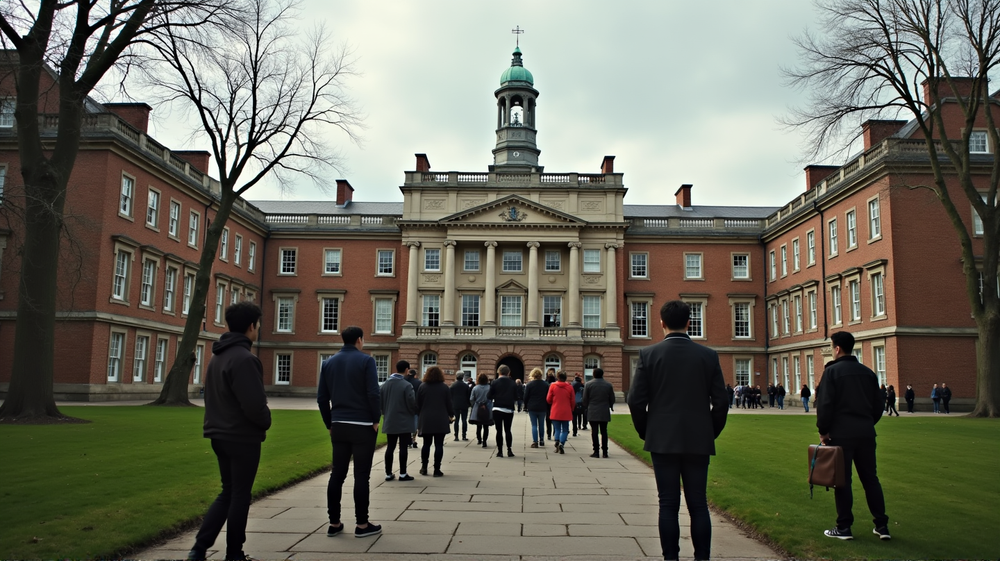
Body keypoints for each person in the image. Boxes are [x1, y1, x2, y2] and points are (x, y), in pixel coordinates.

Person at [627, 300, 728, 561]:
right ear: (689, 323)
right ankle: (702, 558)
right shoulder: (708, 355)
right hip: (698, 438)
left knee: (668, 504)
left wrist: (647, 431)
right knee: (698, 504)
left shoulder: (649, 354)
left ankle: (670, 558)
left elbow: (635, 401)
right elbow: (721, 402)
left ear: (661, 323)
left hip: (662, 438)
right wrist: (710, 432)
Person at [188, 302, 271, 561]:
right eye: (258, 325)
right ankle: (234, 554)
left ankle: (199, 548)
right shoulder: (245, 359)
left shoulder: (218, 356)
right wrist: (266, 421)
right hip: (241, 437)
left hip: (219, 434)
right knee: (239, 495)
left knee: (228, 492)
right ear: (251, 326)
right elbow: (254, 405)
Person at [816, 331, 890, 541]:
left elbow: (825, 405)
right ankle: (882, 525)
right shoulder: (868, 373)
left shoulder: (831, 372)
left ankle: (844, 527)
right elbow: (878, 405)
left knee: (842, 481)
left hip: (841, 434)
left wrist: (823, 431)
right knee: (871, 479)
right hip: (866, 432)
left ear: (837, 348)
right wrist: (867, 423)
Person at [317, 326, 382, 539]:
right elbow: (373, 393)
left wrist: (329, 423)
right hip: (362, 424)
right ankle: (362, 524)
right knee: (361, 475)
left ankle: (334, 523)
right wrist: (376, 418)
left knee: (337, 474)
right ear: (359, 340)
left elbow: (322, 398)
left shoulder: (328, 363)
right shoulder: (366, 361)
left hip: (339, 424)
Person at [381, 360, 417, 482]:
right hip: (404, 420)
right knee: (403, 447)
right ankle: (402, 473)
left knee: (390, 447)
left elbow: (380, 402)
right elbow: (411, 403)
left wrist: (385, 412)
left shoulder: (385, 385)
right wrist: (414, 412)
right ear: (407, 370)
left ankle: (388, 473)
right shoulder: (406, 385)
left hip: (389, 419)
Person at [416, 366, 454, 476]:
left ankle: (424, 467)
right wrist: (451, 414)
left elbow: (417, 403)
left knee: (426, 444)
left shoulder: (422, 386)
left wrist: (420, 414)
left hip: (426, 418)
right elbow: (449, 403)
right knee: (439, 445)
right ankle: (437, 469)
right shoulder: (444, 387)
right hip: (440, 418)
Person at [583, 367, 615, 458]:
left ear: (593, 374)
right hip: (604, 410)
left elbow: (585, 398)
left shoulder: (588, 384)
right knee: (604, 431)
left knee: (594, 431)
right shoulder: (608, 385)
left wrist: (586, 406)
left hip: (593, 409)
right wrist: (611, 406)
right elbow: (612, 398)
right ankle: (605, 452)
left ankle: (596, 451)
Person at [488, 364, 517, 457]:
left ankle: (500, 451)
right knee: (508, 430)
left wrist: (496, 397)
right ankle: (509, 450)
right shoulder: (512, 383)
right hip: (508, 409)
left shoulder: (494, 382)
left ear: (498, 372)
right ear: (508, 373)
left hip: (497, 408)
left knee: (499, 431)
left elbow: (489, 396)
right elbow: (516, 396)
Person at [546, 371, 576, 454]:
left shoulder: (553, 386)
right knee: (565, 429)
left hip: (555, 409)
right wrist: (572, 408)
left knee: (557, 429)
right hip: (566, 410)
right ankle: (562, 444)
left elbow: (548, 399)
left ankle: (557, 441)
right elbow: (573, 400)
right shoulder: (570, 387)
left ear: (557, 377)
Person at [523, 367, 550, 448]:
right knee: (541, 424)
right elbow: (548, 396)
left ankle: (535, 441)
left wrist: (525, 406)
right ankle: (541, 440)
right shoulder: (546, 384)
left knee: (534, 425)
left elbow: (525, 397)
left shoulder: (529, 385)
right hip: (543, 406)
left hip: (532, 407)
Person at [469, 373, 493, 447]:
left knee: (478, 425)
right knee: (486, 426)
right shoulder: (489, 388)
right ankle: (485, 441)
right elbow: (492, 397)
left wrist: (474, 405)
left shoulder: (475, 388)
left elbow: (471, 399)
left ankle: (479, 439)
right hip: (487, 407)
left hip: (477, 407)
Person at [450, 372, 472, 441]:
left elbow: (450, 396)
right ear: (463, 377)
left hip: (455, 405)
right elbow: (468, 396)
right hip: (464, 404)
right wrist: (469, 404)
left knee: (456, 420)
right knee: (464, 420)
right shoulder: (466, 386)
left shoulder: (452, 386)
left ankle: (456, 436)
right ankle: (464, 435)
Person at [405, 369, 422, 447]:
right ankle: (413, 439)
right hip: (415, 406)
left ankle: (407, 439)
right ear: (415, 375)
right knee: (415, 424)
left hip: (404, 406)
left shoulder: (404, 381)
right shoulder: (419, 383)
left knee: (406, 424)